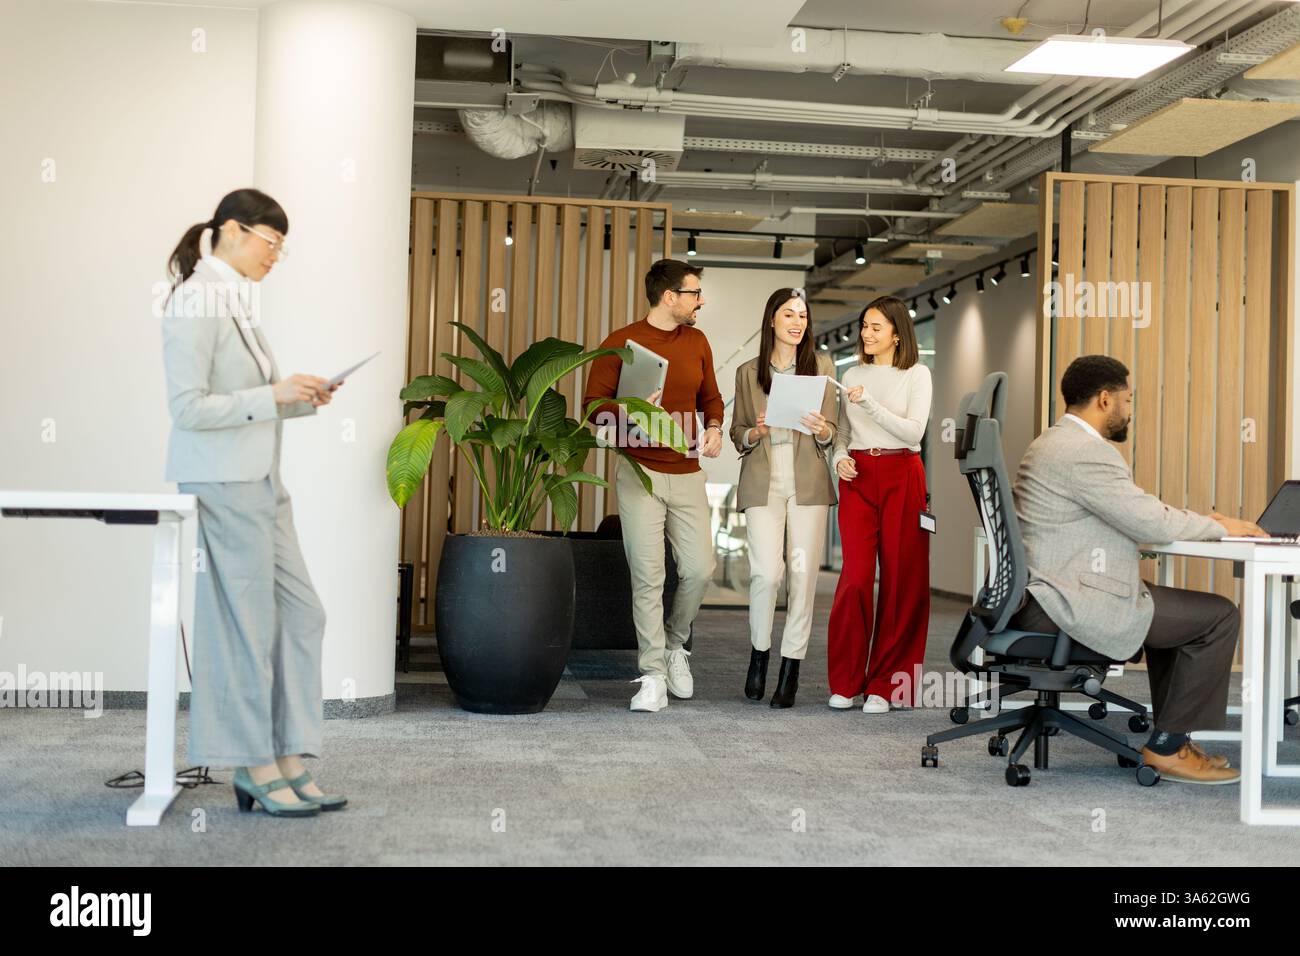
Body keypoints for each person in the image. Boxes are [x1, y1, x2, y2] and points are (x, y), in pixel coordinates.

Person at [161, 188, 347, 816]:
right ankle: (252, 762)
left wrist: (298, 397)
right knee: (245, 626)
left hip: (263, 480)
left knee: (302, 613)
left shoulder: (232, 300)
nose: (276, 256)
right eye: (272, 244)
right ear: (234, 230)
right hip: (222, 482)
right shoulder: (194, 300)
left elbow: (250, 397)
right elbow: (187, 409)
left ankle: (289, 752)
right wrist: (274, 395)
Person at [1008, 354, 1266, 784]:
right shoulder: (1085, 452)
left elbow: (1136, 508)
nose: (1131, 410)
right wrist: (1218, 525)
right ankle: (1166, 749)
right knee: (1219, 616)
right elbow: (1148, 522)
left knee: (1173, 613)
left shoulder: (1052, 442)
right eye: (1129, 400)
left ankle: (1173, 740)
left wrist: (1204, 522)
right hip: (1065, 601)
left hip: (1043, 593)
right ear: (1106, 399)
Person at [582, 259, 724, 712]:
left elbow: (711, 397)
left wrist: (716, 427)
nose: (700, 300)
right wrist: (632, 410)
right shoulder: (621, 343)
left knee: (700, 568)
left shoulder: (697, 341)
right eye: (694, 292)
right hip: (639, 471)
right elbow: (593, 408)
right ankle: (652, 675)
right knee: (648, 577)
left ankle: (676, 645)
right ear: (670, 297)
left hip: (687, 472)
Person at [730, 288, 838, 708]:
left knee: (803, 577)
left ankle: (791, 666)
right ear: (771, 320)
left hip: (807, 482)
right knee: (766, 575)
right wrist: (754, 431)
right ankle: (759, 654)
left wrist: (821, 428)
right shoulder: (747, 371)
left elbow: (834, 433)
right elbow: (738, 432)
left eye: (803, 316)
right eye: (789, 314)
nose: (797, 322)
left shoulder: (823, 367)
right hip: (763, 480)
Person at [827, 295, 933, 713]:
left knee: (900, 579)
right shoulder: (852, 372)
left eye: (875, 327)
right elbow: (839, 431)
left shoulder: (916, 374)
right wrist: (839, 458)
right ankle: (846, 680)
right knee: (853, 578)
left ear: (896, 332)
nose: (867, 334)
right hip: (858, 477)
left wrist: (868, 402)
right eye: (864, 326)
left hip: (902, 473)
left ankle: (888, 686)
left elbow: (913, 432)